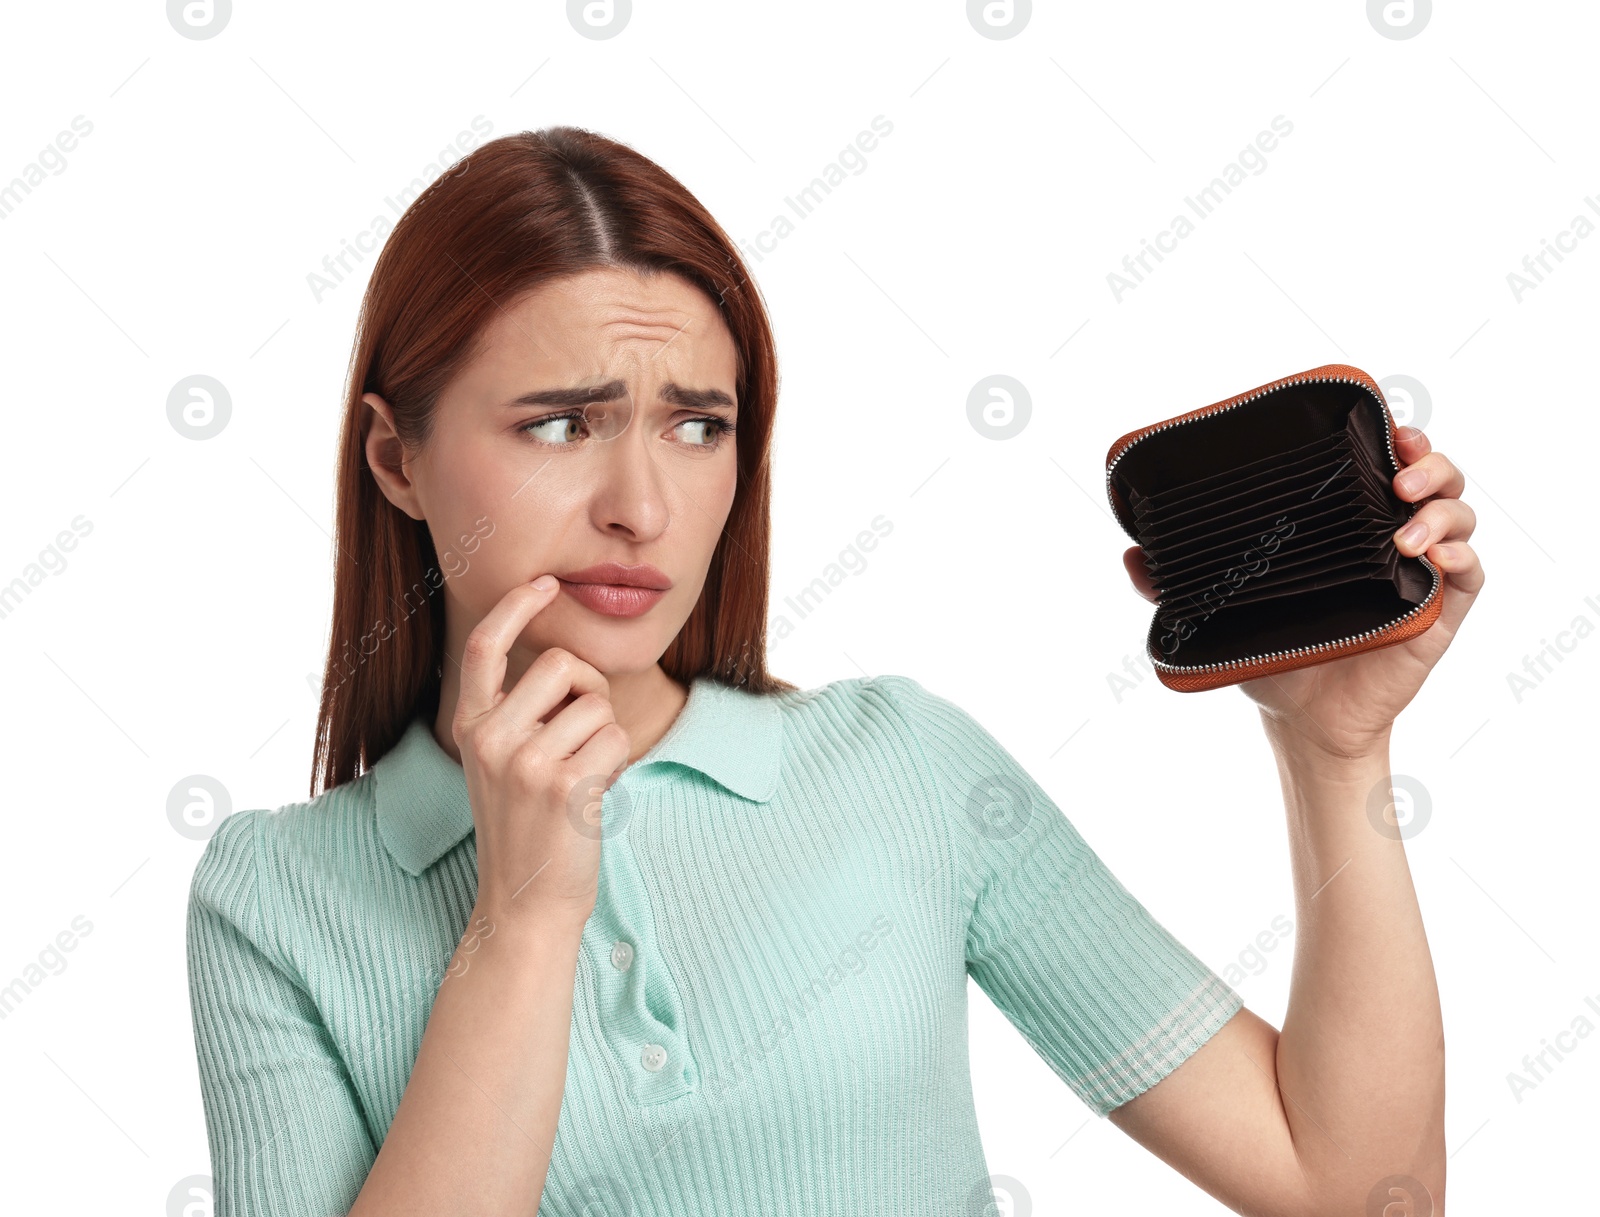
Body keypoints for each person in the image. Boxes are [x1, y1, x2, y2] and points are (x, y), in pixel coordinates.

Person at [185, 126, 1480, 1216]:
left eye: (700, 424)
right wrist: (523, 916)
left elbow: (1356, 1183)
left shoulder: (902, 766)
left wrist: (1335, 752)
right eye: (563, 423)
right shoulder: (277, 898)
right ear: (395, 458)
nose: (642, 504)